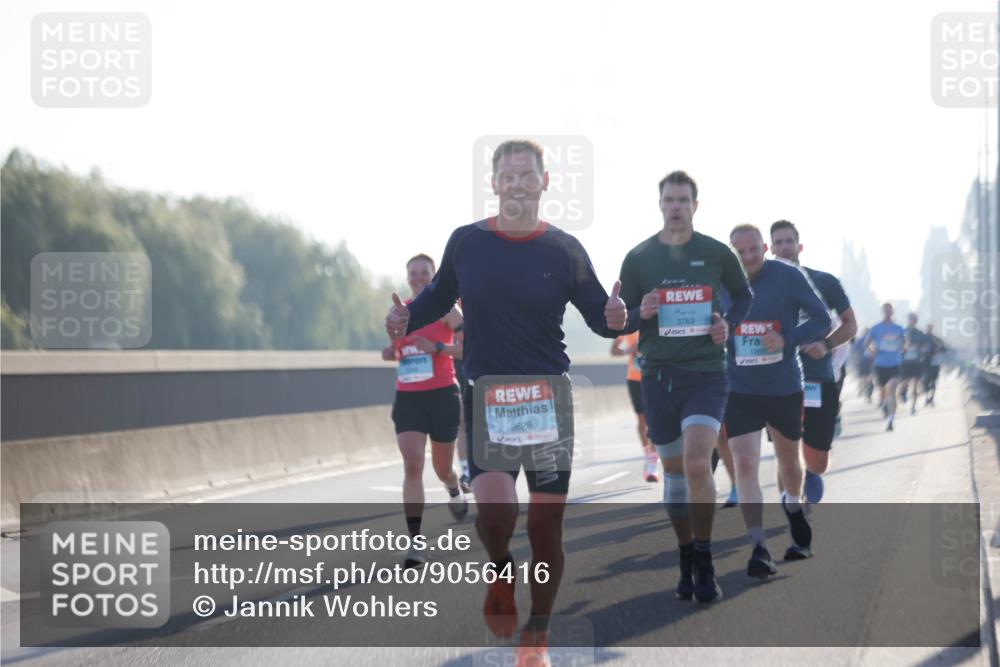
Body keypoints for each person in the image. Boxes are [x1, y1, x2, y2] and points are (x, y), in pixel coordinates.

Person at [385, 140, 630, 664]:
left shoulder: (564, 249)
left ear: (545, 183)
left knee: (545, 529)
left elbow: (597, 314)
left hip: (548, 399)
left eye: (528, 174)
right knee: (497, 511)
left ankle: (537, 633)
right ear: (494, 184)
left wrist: (618, 316)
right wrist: (406, 315)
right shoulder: (467, 242)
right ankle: (499, 569)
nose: (518, 182)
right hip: (488, 397)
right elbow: (438, 297)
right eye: (508, 175)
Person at [618, 170, 753, 603]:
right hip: (658, 377)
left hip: (706, 374)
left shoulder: (716, 253)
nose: (675, 206)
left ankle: (706, 558)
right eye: (669, 200)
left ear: (696, 205)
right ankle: (685, 553)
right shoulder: (638, 258)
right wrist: (643, 309)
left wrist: (725, 324)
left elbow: (742, 296)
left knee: (698, 462)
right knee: (675, 475)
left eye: (683, 200)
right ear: (660, 205)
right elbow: (623, 317)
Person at [724, 224, 831, 576]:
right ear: (731, 252)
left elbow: (821, 318)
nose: (749, 257)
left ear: (765, 247)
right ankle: (758, 546)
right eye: (741, 252)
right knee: (744, 463)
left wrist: (786, 338)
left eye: (755, 250)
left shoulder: (787, 276)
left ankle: (793, 505)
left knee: (789, 463)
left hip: (783, 386)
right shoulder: (721, 281)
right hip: (739, 388)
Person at [382, 253, 468, 568]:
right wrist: (391, 351)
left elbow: (472, 346)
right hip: (409, 398)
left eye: (424, 273)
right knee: (412, 465)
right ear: (408, 277)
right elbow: (397, 349)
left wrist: (439, 348)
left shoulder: (449, 310)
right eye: (413, 273)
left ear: (433, 277)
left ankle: (453, 487)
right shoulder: (400, 311)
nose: (418, 277)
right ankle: (416, 541)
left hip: (443, 394)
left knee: (441, 468)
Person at [769, 220, 856, 503]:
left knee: (816, 460)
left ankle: (814, 473)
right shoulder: (759, 285)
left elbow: (850, 325)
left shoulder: (825, 282)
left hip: (818, 377)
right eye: (778, 243)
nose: (784, 247)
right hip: (778, 381)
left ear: (799, 246)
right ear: (770, 249)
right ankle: (791, 507)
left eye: (788, 242)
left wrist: (825, 344)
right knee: (787, 450)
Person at [611, 331, 659, 481]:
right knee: (642, 420)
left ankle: (652, 464)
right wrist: (629, 350)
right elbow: (614, 351)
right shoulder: (630, 326)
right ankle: (648, 455)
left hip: (653, 375)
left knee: (653, 421)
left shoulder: (655, 323)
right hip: (634, 378)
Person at [865, 304, 905, 431]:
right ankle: (884, 405)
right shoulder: (876, 328)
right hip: (880, 364)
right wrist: (871, 351)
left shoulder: (899, 328)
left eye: (890, 310)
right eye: (885, 310)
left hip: (895, 364)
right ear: (883, 312)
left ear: (893, 311)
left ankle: (891, 420)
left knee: (892, 390)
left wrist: (903, 348)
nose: (888, 312)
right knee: (882, 392)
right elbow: (867, 343)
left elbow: (905, 343)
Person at [900, 313, 928, 414]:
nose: (912, 321)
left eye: (914, 319)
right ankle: (903, 392)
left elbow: (925, 347)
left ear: (916, 321)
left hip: (916, 362)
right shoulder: (902, 331)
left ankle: (913, 407)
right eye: (911, 319)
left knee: (915, 385)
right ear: (908, 320)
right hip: (904, 361)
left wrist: (919, 348)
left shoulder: (920, 333)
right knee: (905, 382)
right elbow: (897, 344)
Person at [923, 324, 947, 406]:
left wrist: (938, 350)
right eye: (927, 328)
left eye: (930, 328)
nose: (929, 330)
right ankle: (927, 398)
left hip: (934, 363)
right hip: (925, 363)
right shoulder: (923, 338)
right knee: (925, 382)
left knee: (934, 381)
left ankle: (931, 398)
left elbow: (944, 349)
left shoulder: (936, 338)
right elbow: (919, 348)